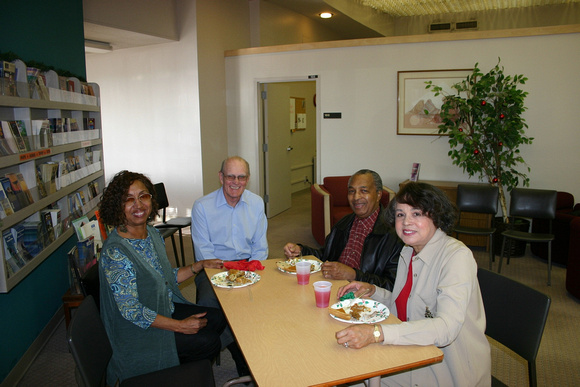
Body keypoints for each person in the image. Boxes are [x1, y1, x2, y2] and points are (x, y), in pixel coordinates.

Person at [334, 182, 491, 386]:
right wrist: (373, 291)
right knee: (345, 368)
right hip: (415, 351)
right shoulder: (408, 251)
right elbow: (407, 303)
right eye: (400, 214)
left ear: (436, 215)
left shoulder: (456, 257)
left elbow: (446, 328)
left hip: (448, 369)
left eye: (417, 213)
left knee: (355, 374)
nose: (406, 222)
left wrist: (377, 333)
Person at [98, 170, 227, 385]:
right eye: (128, 199)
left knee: (218, 317)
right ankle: (174, 376)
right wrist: (179, 326)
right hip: (137, 331)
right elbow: (131, 310)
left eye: (143, 196)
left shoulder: (152, 234)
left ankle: (183, 369)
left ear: (151, 199)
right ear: (117, 206)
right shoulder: (116, 252)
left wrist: (199, 265)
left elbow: (166, 277)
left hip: (161, 307)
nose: (138, 205)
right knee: (208, 342)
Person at [191, 155, 267, 376]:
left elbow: (260, 248)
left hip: (248, 267)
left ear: (248, 178)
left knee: (269, 300)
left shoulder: (256, 203)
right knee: (208, 303)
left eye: (241, 177)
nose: (236, 182)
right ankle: (236, 355)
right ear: (221, 177)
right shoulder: (202, 206)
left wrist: (249, 272)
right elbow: (204, 253)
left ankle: (244, 349)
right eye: (230, 176)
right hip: (214, 268)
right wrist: (230, 275)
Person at [284, 169, 402, 290]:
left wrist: (354, 275)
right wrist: (301, 250)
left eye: (363, 191)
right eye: (352, 191)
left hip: (362, 297)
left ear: (378, 195)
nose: (356, 197)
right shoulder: (343, 224)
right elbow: (326, 255)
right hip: (332, 284)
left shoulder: (394, 235)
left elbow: (392, 285)